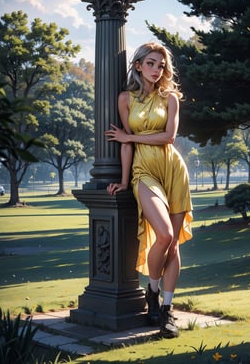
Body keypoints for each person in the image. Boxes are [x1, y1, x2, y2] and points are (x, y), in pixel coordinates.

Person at [105, 42, 193, 338]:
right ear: (138, 65)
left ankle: (165, 309)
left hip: (173, 170)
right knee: (165, 235)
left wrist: (130, 137)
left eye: (161, 65)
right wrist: (124, 178)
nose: (157, 70)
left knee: (173, 244)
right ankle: (152, 291)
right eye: (152, 63)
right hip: (144, 171)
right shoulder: (124, 98)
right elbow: (125, 144)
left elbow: (169, 138)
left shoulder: (171, 99)